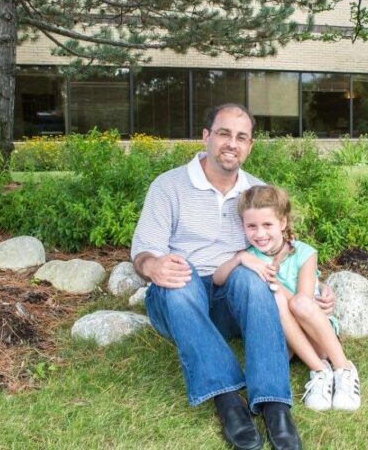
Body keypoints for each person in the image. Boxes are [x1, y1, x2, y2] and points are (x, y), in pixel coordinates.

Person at [131, 103, 335, 450]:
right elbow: (143, 251)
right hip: (179, 302)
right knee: (180, 277)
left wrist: (315, 286)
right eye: (224, 133)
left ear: (250, 146)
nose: (232, 143)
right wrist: (152, 266)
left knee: (251, 279)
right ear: (206, 137)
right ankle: (228, 400)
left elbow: (282, 248)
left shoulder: (256, 192)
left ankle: (274, 404)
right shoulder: (169, 186)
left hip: (233, 302)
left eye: (242, 137)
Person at [213, 185, 360, 412]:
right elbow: (217, 278)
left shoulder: (304, 253)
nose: (260, 234)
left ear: (282, 223)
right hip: (285, 336)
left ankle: (344, 368)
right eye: (251, 226)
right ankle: (320, 371)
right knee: (277, 301)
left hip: (316, 331)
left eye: (267, 225)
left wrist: (276, 283)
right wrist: (240, 258)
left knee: (288, 298)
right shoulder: (251, 257)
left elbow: (302, 302)